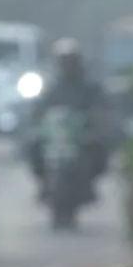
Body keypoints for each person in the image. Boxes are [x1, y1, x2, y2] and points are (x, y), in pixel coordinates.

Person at [26, 38, 110, 203]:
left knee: (99, 147)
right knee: (34, 145)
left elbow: (100, 108)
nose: (67, 65)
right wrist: (37, 119)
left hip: (81, 135)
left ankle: (89, 185)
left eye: (70, 61)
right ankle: (44, 183)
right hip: (55, 135)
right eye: (64, 61)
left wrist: (96, 121)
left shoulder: (89, 87)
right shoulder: (51, 86)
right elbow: (39, 108)